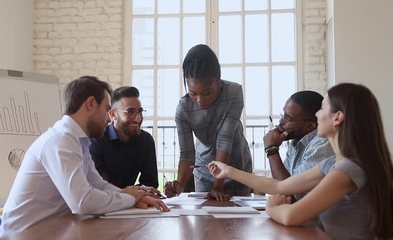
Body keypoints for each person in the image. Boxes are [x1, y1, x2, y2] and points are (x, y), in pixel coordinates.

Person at [208, 83, 393, 240]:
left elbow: (291, 216)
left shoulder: (347, 170)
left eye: (322, 108)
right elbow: (280, 187)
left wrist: (272, 207)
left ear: (337, 117)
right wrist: (228, 170)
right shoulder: (332, 163)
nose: (318, 115)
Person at [0, 76, 169, 239]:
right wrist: (130, 198)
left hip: (49, 232)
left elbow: (97, 183)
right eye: (107, 109)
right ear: (91, 104)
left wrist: (133, 195)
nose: (109, 118)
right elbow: (82, 202)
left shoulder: (78, 141)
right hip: (23, 236)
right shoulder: (61, 141)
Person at [164, 44, 252, 201]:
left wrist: (218, 187)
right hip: (204, 172)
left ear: (218, 82)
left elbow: (225, 139)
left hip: (236, 168)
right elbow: (187, 154)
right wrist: (179, 185)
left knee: (238, 221)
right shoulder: (183, 109)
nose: (199, 100)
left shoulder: (234, 93)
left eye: (206, 93)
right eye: (193, 93)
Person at [264, 91, 334, 199]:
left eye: (288, 118)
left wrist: (272, 150)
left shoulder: (322, 145)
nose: (281, 121)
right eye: (283, 115)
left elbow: (288, 193)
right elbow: (281, 185)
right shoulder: (295, 142)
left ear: (310, 126)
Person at [90, 86, 159, 190]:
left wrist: (134, 195)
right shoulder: (97, 140)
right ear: (113, 114)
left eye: (140, 112)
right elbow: (97, 184)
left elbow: (150, 183)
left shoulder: (145, 140)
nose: (137, 118)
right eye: (130, 112)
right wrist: (130, 194)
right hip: (103, 203)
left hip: (133, 204)